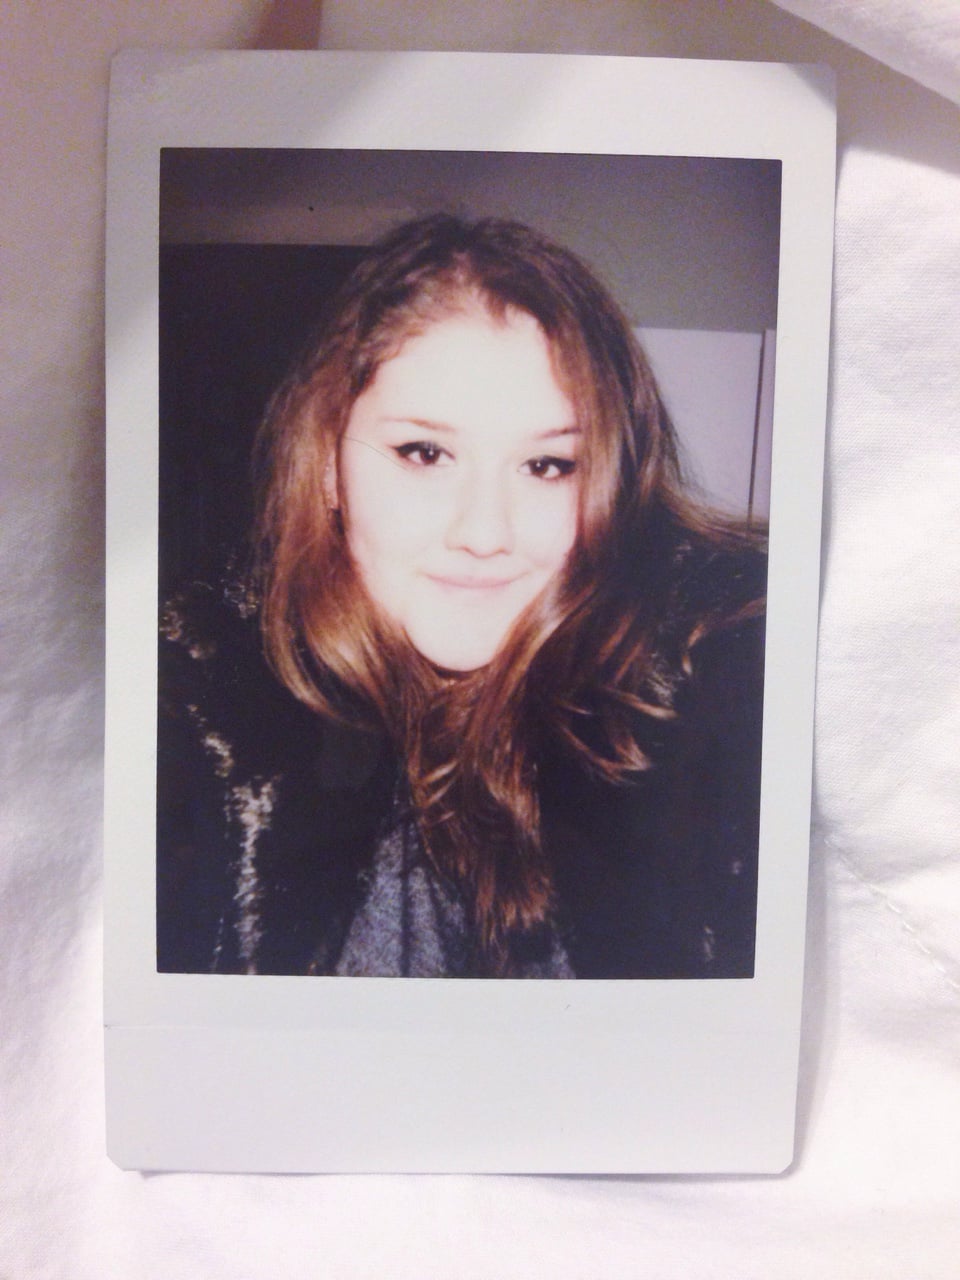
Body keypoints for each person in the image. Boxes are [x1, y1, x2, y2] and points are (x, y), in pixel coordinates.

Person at [157, 213, 767, 980]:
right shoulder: (192, 712)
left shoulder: (721, 697)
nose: (484, 532)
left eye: (547, 466)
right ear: (328, 469)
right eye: (425, 453)